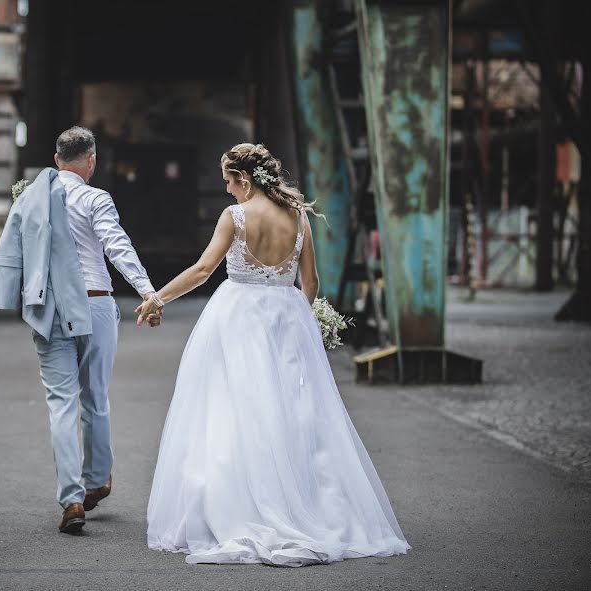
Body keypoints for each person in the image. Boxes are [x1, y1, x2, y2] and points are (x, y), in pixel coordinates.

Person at [137, 143, 410, 566]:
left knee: (235, 409)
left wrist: (158, 298)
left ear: (244, 178)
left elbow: (203, 270)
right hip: (286, 319)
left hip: (239, 318)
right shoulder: (298, 216)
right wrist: (302, 318)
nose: (227, 190)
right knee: (290, 411)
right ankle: (301, 502)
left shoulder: (237, 217)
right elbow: (311, 282)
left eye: (228, 180)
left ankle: (242, 506)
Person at [0, 126, 159, 534]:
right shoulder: (95, 198)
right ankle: (98, 480)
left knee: (62, 404)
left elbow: (15, 254)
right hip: (94, 304)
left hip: (50, 309)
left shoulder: (31, 198)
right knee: (95, 398)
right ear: (91, 160)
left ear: (57, 159)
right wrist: (148, 292)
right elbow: (117, 246)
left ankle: (72, 499)